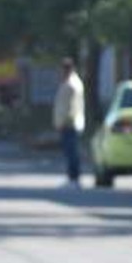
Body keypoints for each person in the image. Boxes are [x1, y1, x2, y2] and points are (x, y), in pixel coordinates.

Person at [53, 57, 85, 187]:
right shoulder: (70, 82)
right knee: (69, 151)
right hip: (69, 122)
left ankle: (74, 178)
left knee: (72, 152)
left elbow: (70, 107)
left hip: (70, 123)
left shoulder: (71, 85)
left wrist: (63, 121)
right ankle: (72, 177)